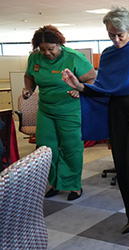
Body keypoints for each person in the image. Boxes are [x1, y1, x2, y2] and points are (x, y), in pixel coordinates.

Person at [62, 6, 129, 240]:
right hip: (117, 112)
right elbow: (102, 90)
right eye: (112, 34)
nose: (116, 39)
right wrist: (79, 86)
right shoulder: (109, 55)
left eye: (120, 34)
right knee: (122, 168)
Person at [23, 25, 96, 201]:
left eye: (50, 49)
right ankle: (54, 183)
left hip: (70, 110)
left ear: (59, 43)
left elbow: (92, 78)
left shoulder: (74, 57)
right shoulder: (34, 58)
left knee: (71, 148)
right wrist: (28, 89)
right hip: (46, 110)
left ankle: (73, 185)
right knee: (45, 149)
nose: (47, 53)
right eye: (42, 50)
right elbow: (29, 76)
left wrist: (80, 90)